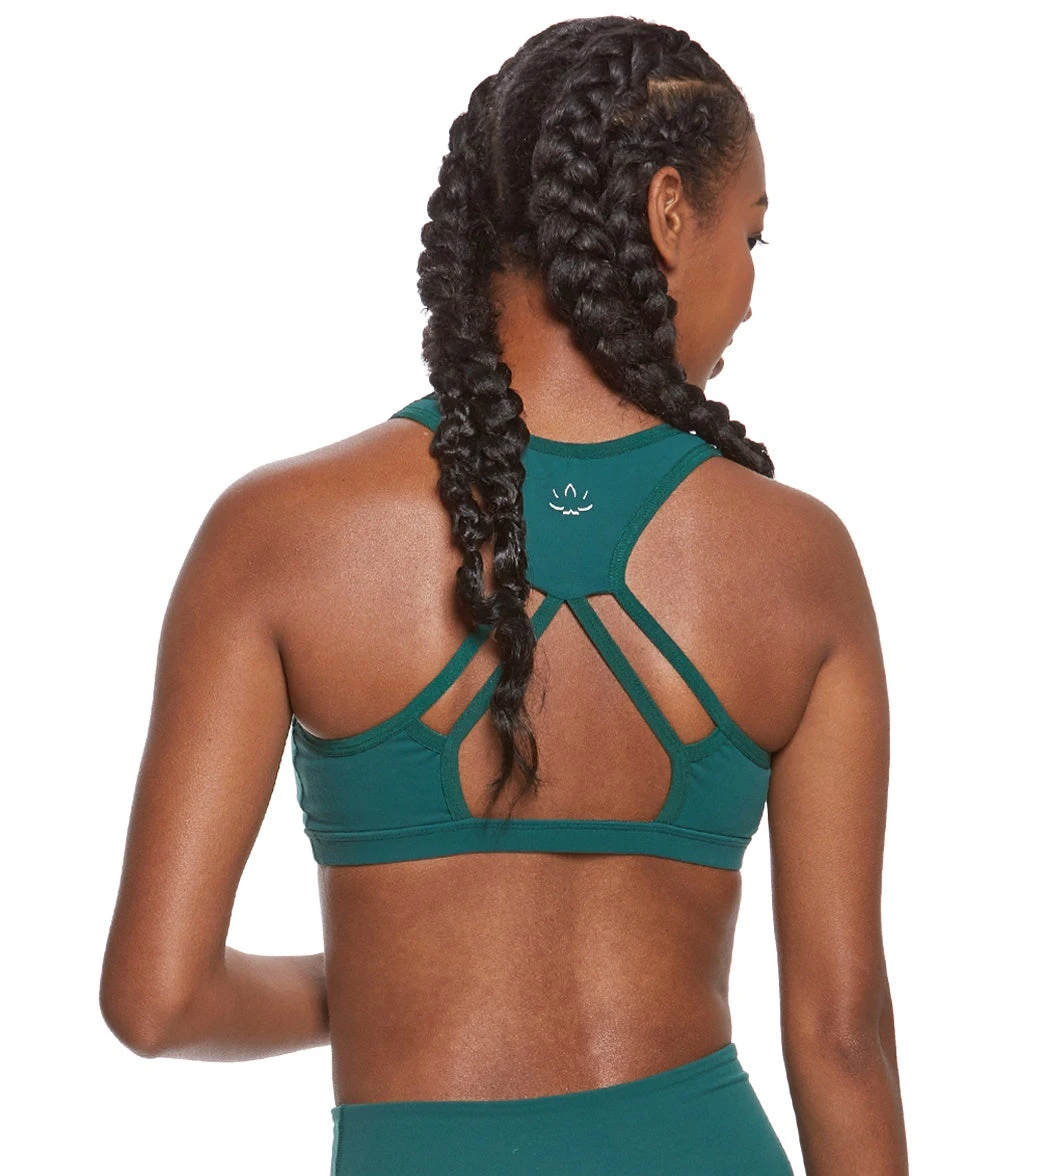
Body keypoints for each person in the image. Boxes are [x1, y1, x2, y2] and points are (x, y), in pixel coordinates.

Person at [100, 16, 907, 1174]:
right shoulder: (798, 559)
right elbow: (841, 1031)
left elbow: (157, 1001)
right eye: (753, 236)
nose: (749, 293)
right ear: (669, 213)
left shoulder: (276, 535)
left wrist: (372, 983)